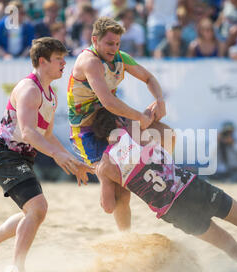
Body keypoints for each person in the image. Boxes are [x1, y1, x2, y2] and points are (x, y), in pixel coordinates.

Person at [92, 108, 237, 272]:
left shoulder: (105, 166)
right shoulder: (134, 129)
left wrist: (103, 178)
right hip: (189, 188)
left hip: (172, 211)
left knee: (228, 245)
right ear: (119, 121)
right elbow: (169, 134)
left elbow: (108, 207)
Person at [0, 37, 92, 272]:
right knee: (38, 208)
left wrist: (69, 158)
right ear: (42, 61)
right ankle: (17, 268)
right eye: (58, 59)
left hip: (20, 158)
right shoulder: (29, 89)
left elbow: (47, 135)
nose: (64, 63)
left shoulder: (50, 94)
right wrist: (58, 154)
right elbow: (27, 132)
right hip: (4, 155)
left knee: (34, 212)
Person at [67, 17, 170, 232]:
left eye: (117, 44)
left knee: (124, 189)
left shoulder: (120, 58)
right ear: (95, 40)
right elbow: (108, 101)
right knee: (110, 201)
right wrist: (140, 118)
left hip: (108, 121)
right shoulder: (90, 61)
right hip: (86, 130)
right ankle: (105, 176)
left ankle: (126, 238)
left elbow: (149, 78)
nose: (114, 49)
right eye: (109, 44)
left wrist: (160, 101)